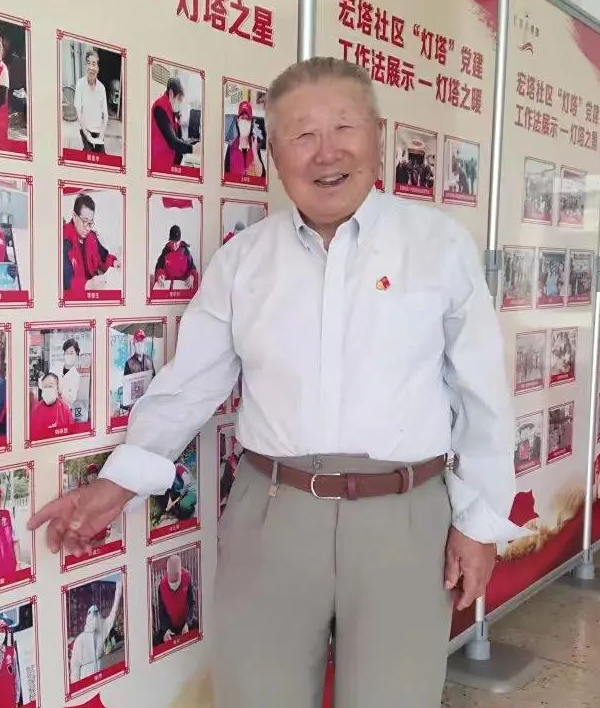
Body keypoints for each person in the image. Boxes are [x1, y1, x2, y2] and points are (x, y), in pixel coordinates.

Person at [29, 58, 524, 708]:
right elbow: (190, 385)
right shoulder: (245, 260)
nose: (327, 152)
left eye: (344, 127)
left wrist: (480, 524)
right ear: (273, 153)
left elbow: (482, 393)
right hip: (273, 513)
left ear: (377, 136)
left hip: (406, 521)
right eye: (302, 134)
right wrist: (114, 486)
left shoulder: (438, 247)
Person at [62, 193, 121, 299]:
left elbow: (103, 256)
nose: (88, 228)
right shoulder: (63, 240)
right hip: (77, 297)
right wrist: (88, 285)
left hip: (94, 291)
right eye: (85, 221)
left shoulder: (91, 237)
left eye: (90, 223)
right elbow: (65, 280)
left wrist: (114, 262)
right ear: (74, 216)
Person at [69, 577, 123, 682]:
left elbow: (114, 612)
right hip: (85, 678)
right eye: (92, 613)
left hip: (100, 675)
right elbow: (75, 667)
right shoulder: (80, 640)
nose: (94, 616)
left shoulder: (102, 631)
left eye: (96, 613)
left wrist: (118, 591)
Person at [151, 77, 198, 172]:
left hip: (172, 164)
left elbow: (178, 138)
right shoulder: (160, 108)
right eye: (179, 99)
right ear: (171, 93)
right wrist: (194, 149)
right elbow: (173, 142)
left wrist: (191, 144)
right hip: (161, 165)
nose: (180, 103)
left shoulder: (172, 110)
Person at [154, 554, 197, 645]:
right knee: (155, 641)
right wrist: (166, 630)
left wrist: (187, 623)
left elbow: (191, 602)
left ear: (180, 573)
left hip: (186, 622)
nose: (174, 587)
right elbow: (162, 611)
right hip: (171, 627)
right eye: (171, 583)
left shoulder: (187, 577)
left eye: (176, 582)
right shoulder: (162, 585)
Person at [74, 50, 108, 153]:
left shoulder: (101, 88)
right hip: (85, 128)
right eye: (88, 63)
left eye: (94, 64)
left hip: (98, 130)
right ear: (86, 65)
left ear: (98, 68)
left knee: (102, 156)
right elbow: (78, 110)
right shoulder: (80, 84)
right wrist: (86, 133)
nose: (91, 67)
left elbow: (106, 115)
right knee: (88, 154)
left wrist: (101, 135)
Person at [224, 100, 265, 182]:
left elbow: (261, 176)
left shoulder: (255, 146)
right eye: (242, 118)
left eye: (247, 119)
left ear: (251, 122)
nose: (244, 121)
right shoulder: (231, 147)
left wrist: (255, 152)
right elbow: (225, 175)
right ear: (238, 121)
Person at [153, 225, 199, 290]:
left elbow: (192, 268)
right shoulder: (165, 251)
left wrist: (191, 277)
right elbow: (159, 267)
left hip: (183, 287)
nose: (174, 245)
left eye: (176, 242)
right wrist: (160, 276)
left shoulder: (186, 252)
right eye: (172, 242)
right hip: (167, 287)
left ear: (180, 241)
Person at [29, 373, 73, 437]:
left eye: (50, 386)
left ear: (57, 388)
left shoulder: (64, 409)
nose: (47, 389)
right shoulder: (36, 409)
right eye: (45, 387)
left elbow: (70, 432)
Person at [59, 338, 83, 407]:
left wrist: (60, 390)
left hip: (65, 408)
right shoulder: (56, 367)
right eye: (67, 353)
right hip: (52, 407)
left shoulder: (76, 376)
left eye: (71, 353)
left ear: (76, 354)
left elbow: (72, 398)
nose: (69, 355)